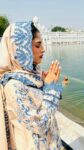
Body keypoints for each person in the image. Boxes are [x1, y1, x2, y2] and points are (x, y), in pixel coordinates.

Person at [0, 21, 63, 150]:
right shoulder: (13, 85)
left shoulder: (33, 77)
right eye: (38, 45)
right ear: (21, 48)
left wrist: (49, 85)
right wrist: (51, 88)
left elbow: (49, 107)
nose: (43, 49)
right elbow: (39, 124)